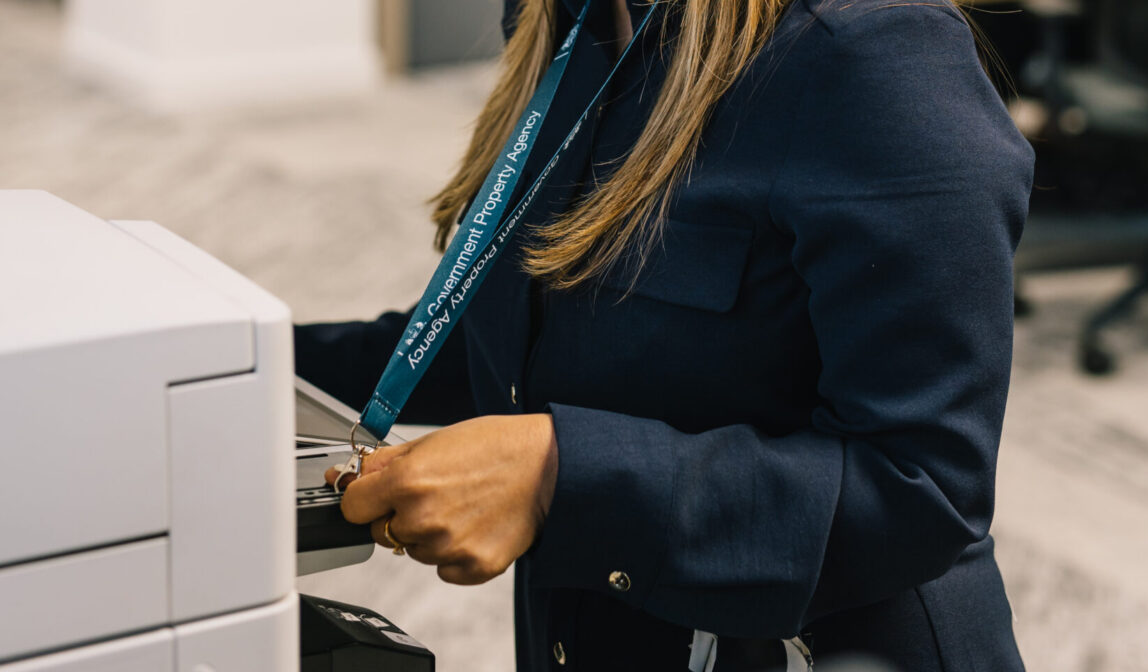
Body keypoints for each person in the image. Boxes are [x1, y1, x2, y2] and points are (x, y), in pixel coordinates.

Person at [294, 0, 1035, 669]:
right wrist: (247, 361)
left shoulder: (874, 52)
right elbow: (531, 340)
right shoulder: (562, 19)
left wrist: (559, 474)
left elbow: (924, 488)